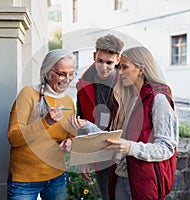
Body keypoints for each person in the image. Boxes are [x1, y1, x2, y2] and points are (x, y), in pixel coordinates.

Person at [69, 46, 179, 200]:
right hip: (120, 179)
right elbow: (112, 138)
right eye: (119, 67)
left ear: (141, 69)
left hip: (144, 183)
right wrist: (86, 125)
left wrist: (130, 147)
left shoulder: (158, 99)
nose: (119, 72)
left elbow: (167, 147)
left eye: (124, 67)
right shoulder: (125, 98)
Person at [7, 49, 76, 200]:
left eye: (71, 73)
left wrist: (69, 141)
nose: (68, 79)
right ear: (47, 72)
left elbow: (70, 134)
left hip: (57, 176)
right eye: (62, 74)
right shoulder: (28, 94)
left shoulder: (68, 101)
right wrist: (46, 122)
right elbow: (13, 138)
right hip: (25, 181)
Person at [76, 34, 124, 200]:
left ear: (118, 60)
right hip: (99, 153)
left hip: (125, 152)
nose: (104, 67)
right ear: (94, 56)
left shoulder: (128, 82)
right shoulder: (82, 85)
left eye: (109, 62)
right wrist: (83, 158)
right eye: (100, 61)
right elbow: (80, 122)